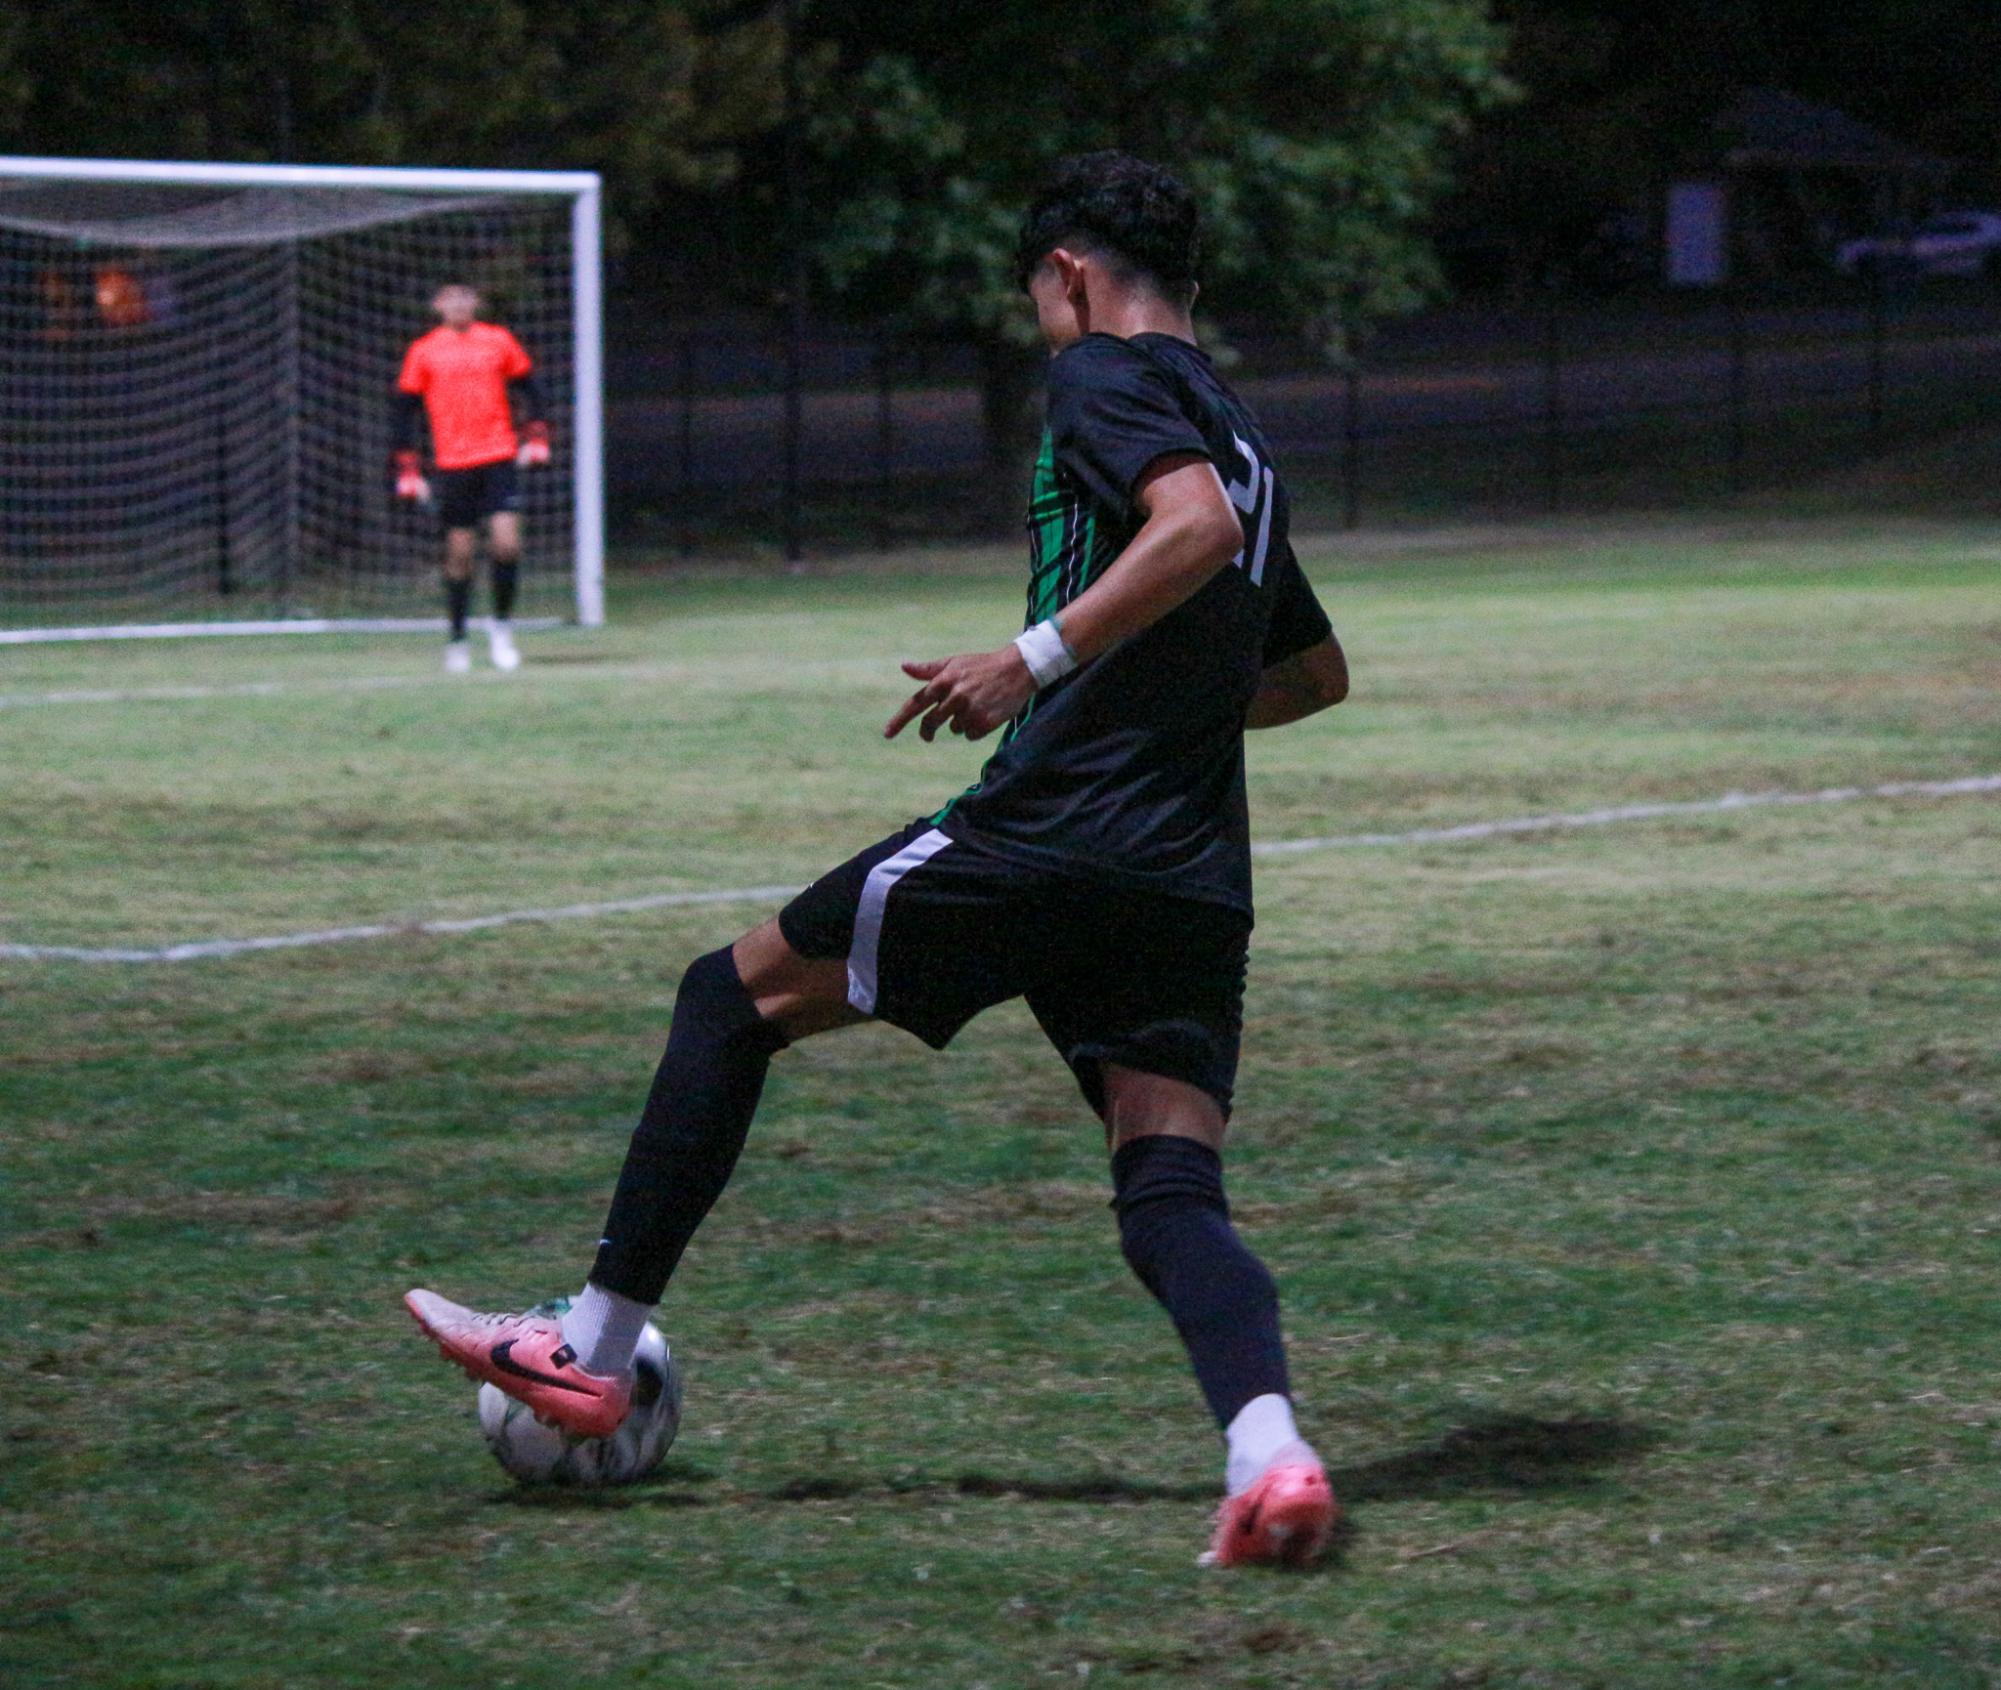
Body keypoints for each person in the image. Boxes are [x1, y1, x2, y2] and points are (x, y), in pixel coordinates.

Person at [407, 153, 1351, 1568]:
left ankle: (586, 1350)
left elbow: (1188, 531)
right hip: (1188, 866)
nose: (1043, 320)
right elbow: (1311, 674)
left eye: (1040, 295)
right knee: (1167, 1187)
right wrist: (1145, 714)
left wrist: (1030, 665)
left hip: (1047, 834)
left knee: (727, 999)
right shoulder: (1242, 431)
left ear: (1073, 277)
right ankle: (1270, 1454)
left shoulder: (1103, 375)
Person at [392, 283, 550, 672]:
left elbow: (530, 387)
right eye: (451, 299)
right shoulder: (424, 351)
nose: (459, 305)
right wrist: (409, 467)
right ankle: (458, 639)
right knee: (460, 553)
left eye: (466, 299)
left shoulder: (498, 341)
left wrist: (536, 435)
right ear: (437, 306)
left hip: (498, 456)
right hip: (453, 464)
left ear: (477, 304)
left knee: (506, 544)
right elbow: (403, 411)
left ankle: (501, 629)